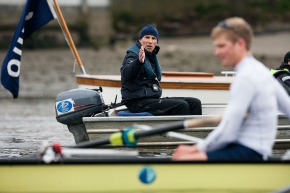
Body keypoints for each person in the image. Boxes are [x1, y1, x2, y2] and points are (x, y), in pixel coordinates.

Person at [172, 17, 290, 161]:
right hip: (257, 150)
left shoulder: (245, 78)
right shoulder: (261, 70)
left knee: (182, 157)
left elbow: (228, 132)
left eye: (221, 46)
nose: (216, 52)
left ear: (240, 44)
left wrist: (196, 148)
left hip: (250, 153)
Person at [120, 24, 202, 116]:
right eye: (147, 37)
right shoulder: (132, 56)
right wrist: (138, 62)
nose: (150, 41)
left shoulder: (151, 56)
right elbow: (127, 75)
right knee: (180, 105)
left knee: (195, 103)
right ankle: (179, 130)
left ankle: (194, 130)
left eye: (153, 38)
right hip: (136, 102)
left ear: (157, 42)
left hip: (151, 99)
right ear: (140, 40)